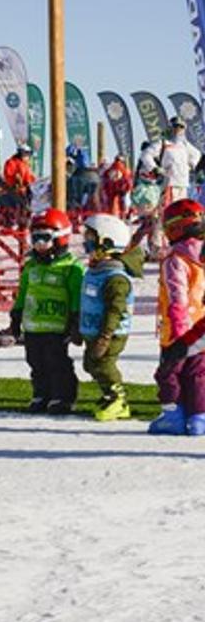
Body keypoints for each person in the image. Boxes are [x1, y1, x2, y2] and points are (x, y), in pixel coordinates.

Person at [9, 208, 84, 415]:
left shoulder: (70, 267)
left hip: (57, 326)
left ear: (60, 238)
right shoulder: (31, 267)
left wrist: (76, 320)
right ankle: (41, 394)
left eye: (45, 238)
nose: (39, 244)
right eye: (35, 238)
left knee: (56, 362)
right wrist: (16, 315)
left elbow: (76, 295)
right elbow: (23, 292)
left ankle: (62, 396)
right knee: (35, 362)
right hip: (33, 325)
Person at [149, 199, 205, 435]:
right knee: (197, 374)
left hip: (178, 330)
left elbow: (177, 297)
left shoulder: (176, 260)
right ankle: (199, 417)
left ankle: (173, 414)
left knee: (169, 373)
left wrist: (179, 335)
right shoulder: (201, 257)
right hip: (200, 329)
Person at [78, 215, 143, 421]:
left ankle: (118, 399)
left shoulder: (115, 278)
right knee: (90, 364)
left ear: (107, 242)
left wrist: (105, 337)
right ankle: (108, 394)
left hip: (110, 333)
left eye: (90, 237)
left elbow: (115, 310)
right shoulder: (96, 271)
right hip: (94, 330)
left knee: (103, 364)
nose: (85, 241)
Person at [160, 116, 202, 201]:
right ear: (172, 127)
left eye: (181, 127)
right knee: (170, 205)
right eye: (176, 126)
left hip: (183, 182)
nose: (178, 129)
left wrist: (190, 166)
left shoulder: (185, 145)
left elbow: (197, 154)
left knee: (181, 206)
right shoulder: (165, 143)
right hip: (170, 182)